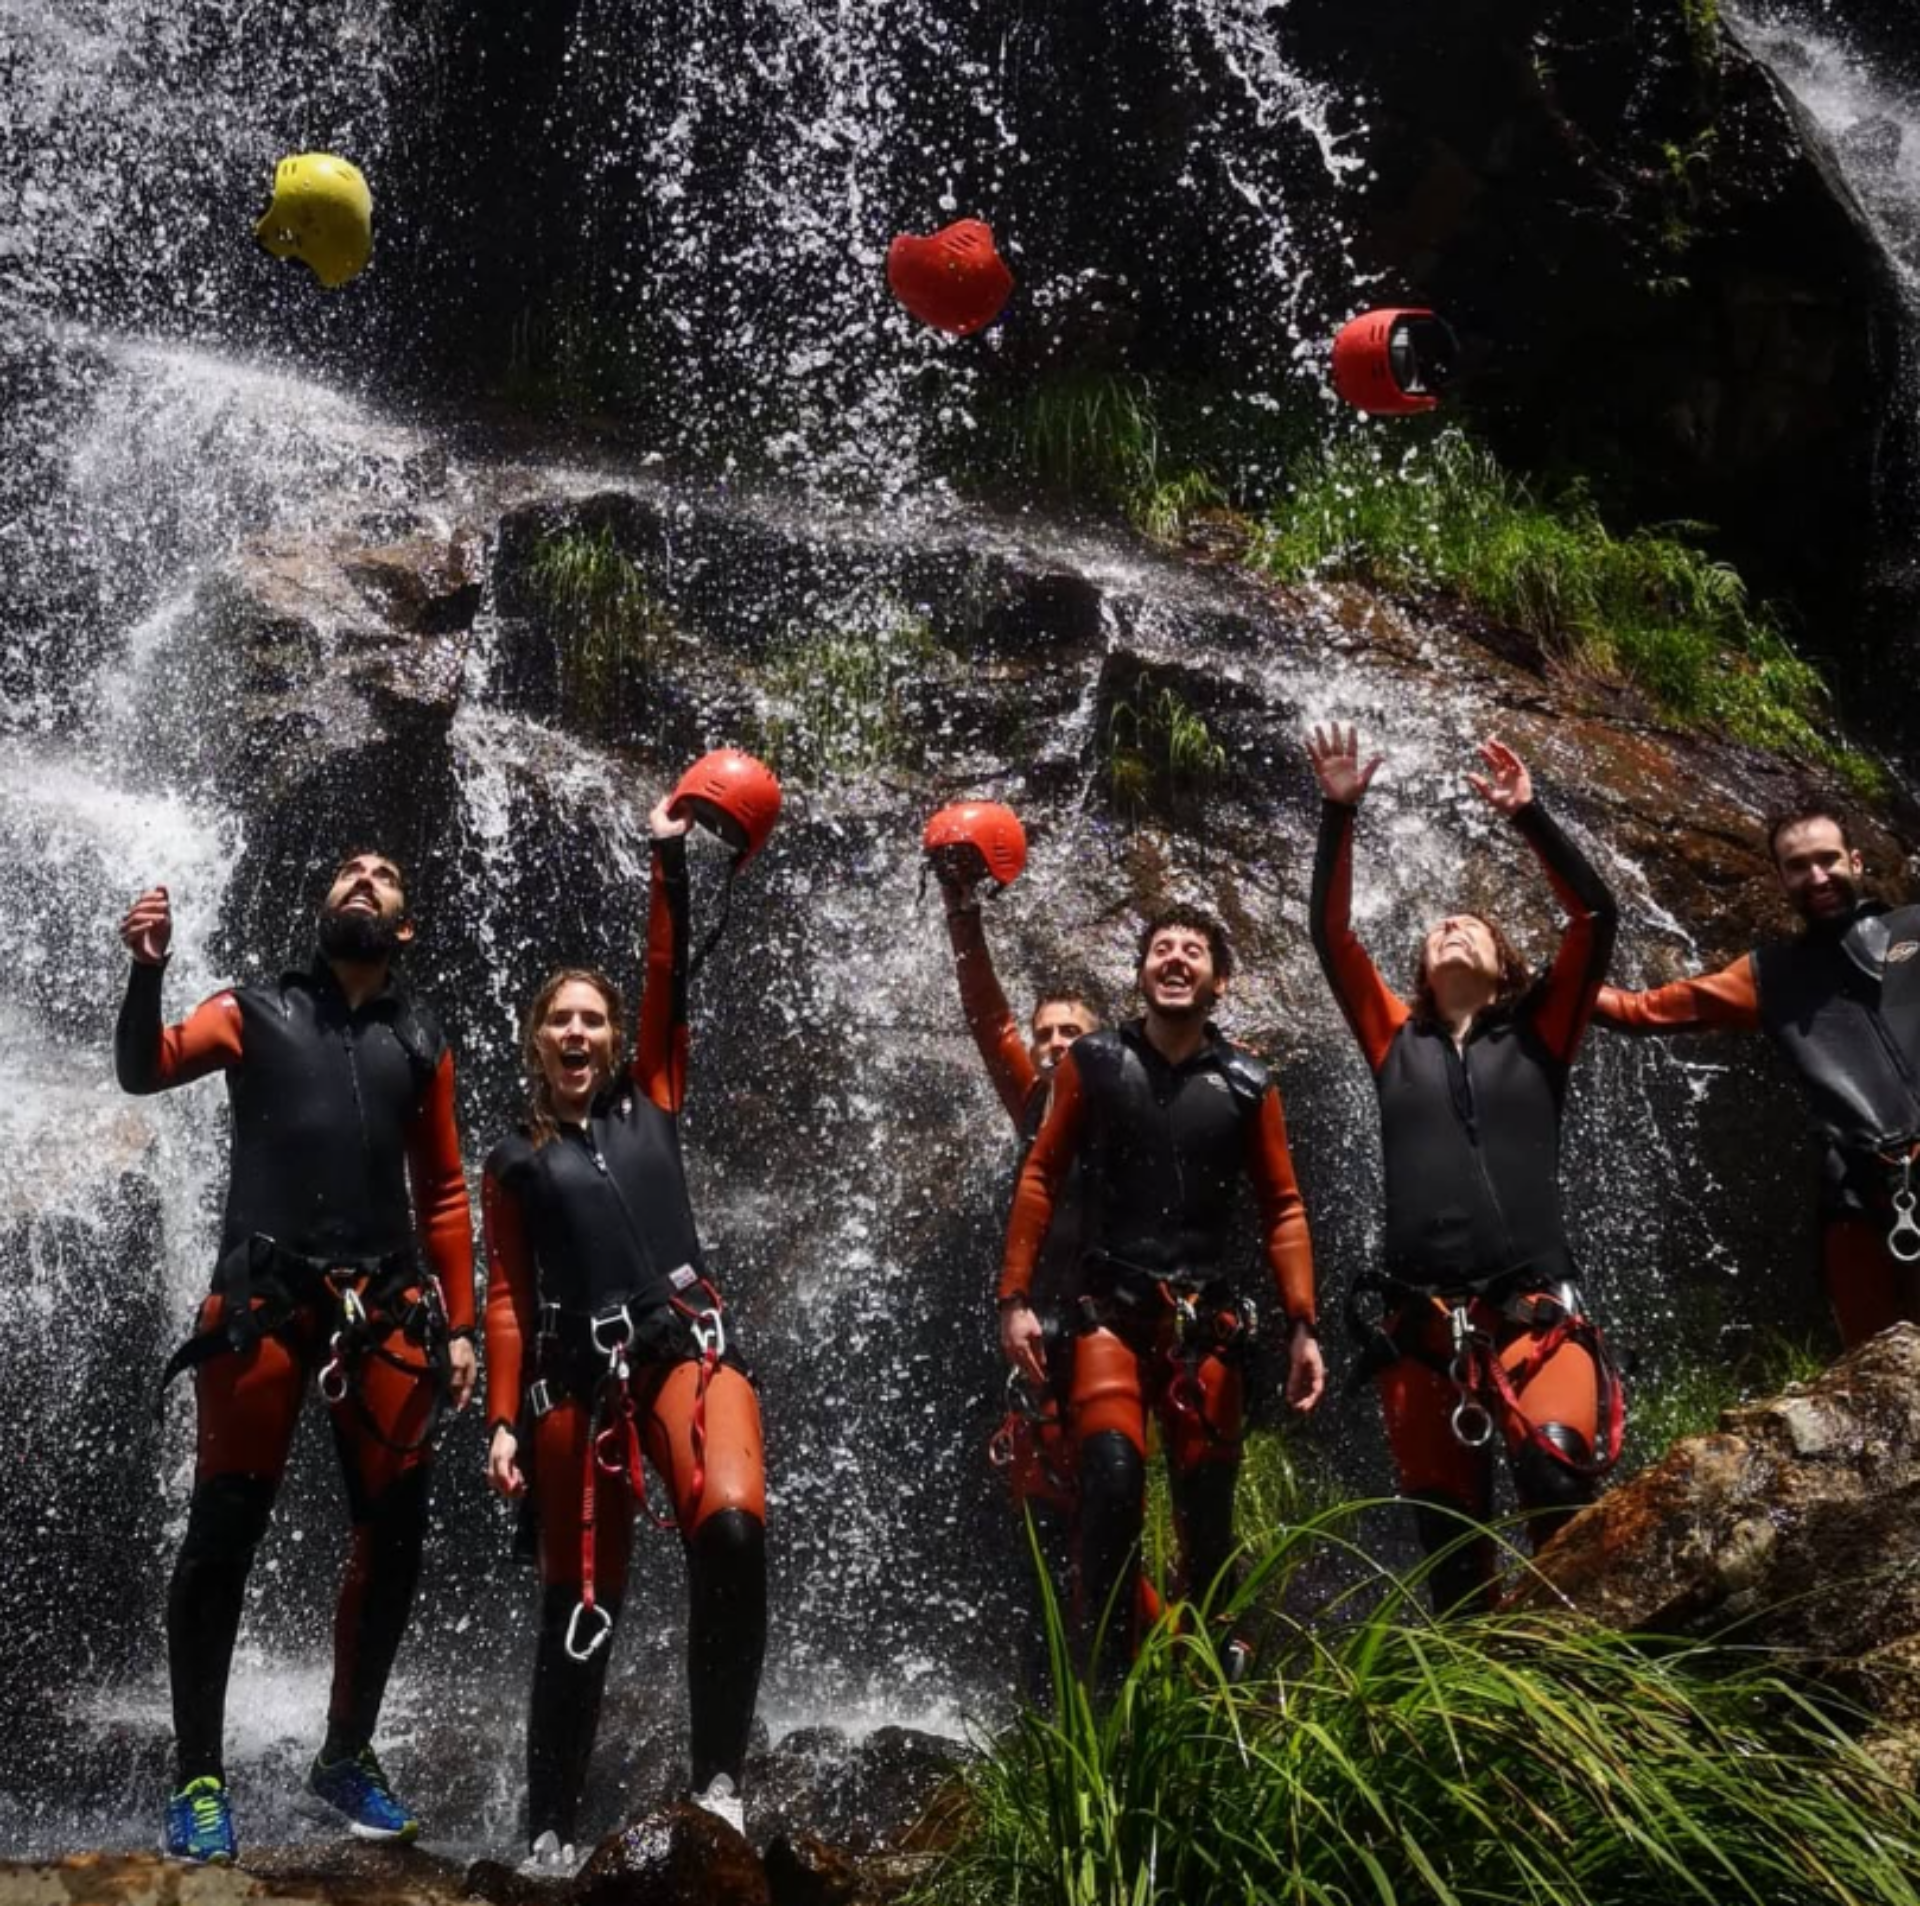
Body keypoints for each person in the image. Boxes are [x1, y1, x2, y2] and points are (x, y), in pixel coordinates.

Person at [116, 852, 476, 1866]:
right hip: (265, 1296)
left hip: (388, 1305)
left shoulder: (421, 1036)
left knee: (397, 1531)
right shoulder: (253, 1008)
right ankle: (197, 1775)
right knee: (225, 1529)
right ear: (321, 909)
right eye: (347, 874)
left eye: (385, 875)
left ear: (406, 926)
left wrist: (455, 1328)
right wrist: (148, 970)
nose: (363, 880)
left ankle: (346, 1755)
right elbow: (144, 1068)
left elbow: (444, 1190)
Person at [482, 795, 766, 1873]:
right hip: (580, 1376)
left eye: (591, 1019)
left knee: (733, 1531)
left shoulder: (654, 1096)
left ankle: (720, 1784)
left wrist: (666, 859)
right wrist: (504, 1421)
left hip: (688, 1348)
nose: (578, 1033)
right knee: (579, 1601)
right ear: (536, 1041)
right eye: (560, 1020)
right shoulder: (514, 1158)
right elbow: (508, 1296)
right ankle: (547, 1828)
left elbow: (664, 979)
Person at [1306, 726, 1621, 1613]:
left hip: (1533, 1312)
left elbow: (1595, 918)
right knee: (1451, 1561)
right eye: (1439, 928)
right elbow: (1330, 933)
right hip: (1420, 1326)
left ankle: (1591, 1691)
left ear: (1503, 967)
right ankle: (1490, 1730)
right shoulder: (1392, 1042)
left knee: (1556, 1481)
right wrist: (1340, 813)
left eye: (1471, 927)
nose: (1450, 926)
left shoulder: (1541, 1037)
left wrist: (1531, 817)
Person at [997, 904, 1325, 1684]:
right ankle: (1110, 1698)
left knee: (1207, 1519)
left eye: (1194, 951)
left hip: (1203, 1327)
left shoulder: (1249, 1084)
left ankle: (1210, 1687)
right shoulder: (1096, 1064)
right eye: (1160, 949)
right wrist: (1014, 1300)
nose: (1175, 959)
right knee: (1111, 1488)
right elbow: (1041, 1175)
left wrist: (1303, 1326)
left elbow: (1284, 1207)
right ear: (1140, 973)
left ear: (1219, 980)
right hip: (1108, 1313)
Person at [1593, 800, 1920, 1348]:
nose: (1816, 876)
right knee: (1878, 1372)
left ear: (1855, 862)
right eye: (1797, 866)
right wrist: (1534, 986)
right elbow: (1640, 1011)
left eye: (1827, 859)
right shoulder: (1768, 974)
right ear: (1781, 878)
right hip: (1860, 1202)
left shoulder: (1913, 928)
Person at [936, 852, 1100, 1675]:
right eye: (1047, 1037)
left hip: (1119, 1334)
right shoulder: (1036, 1107)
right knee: (1043, 1524)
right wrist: (961, 910)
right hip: (1043, 1347)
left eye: (1073, 1033)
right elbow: (986, 1016)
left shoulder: (1141, 1102)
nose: (1055, 1044)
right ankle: (1051, 1697)